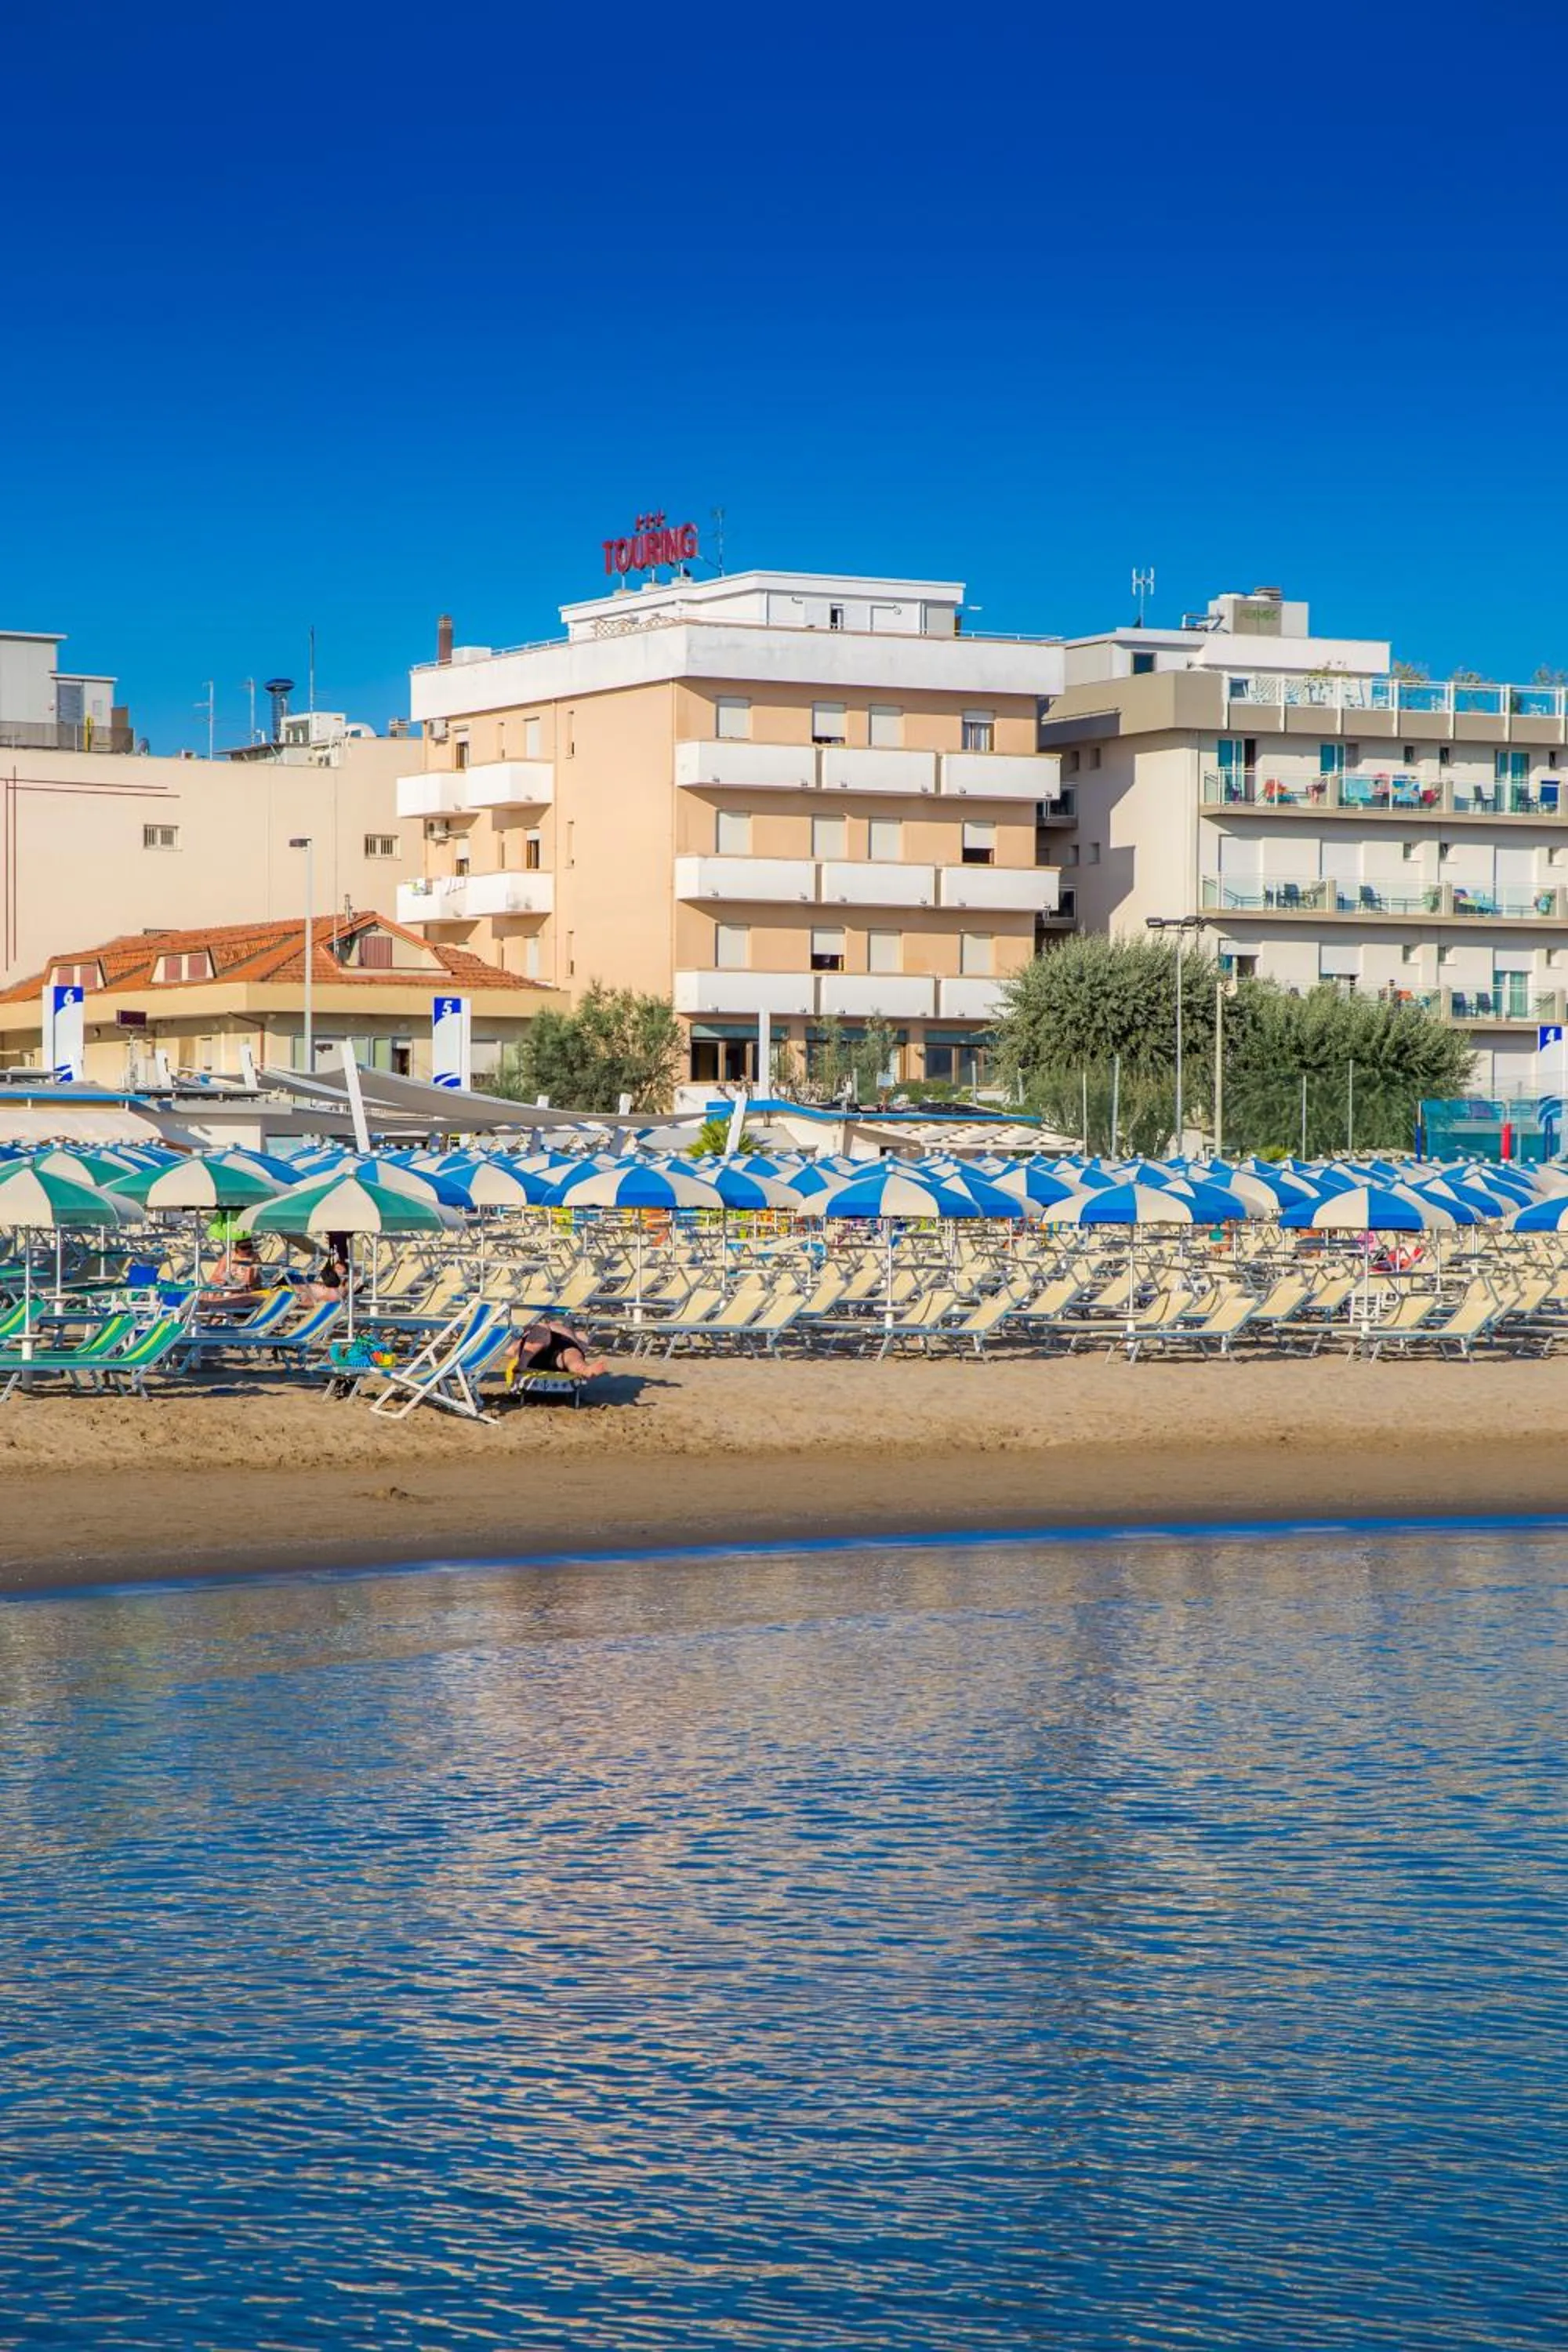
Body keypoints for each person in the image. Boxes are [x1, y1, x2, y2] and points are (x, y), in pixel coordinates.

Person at [505, 1312, 607, 1385]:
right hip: (537, 1349)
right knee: (571, 1354)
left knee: (570, 1355)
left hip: (547, 1351)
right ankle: (583, 1369)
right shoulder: (546, 1326)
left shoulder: (540, 1325)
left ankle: (583, 1369)